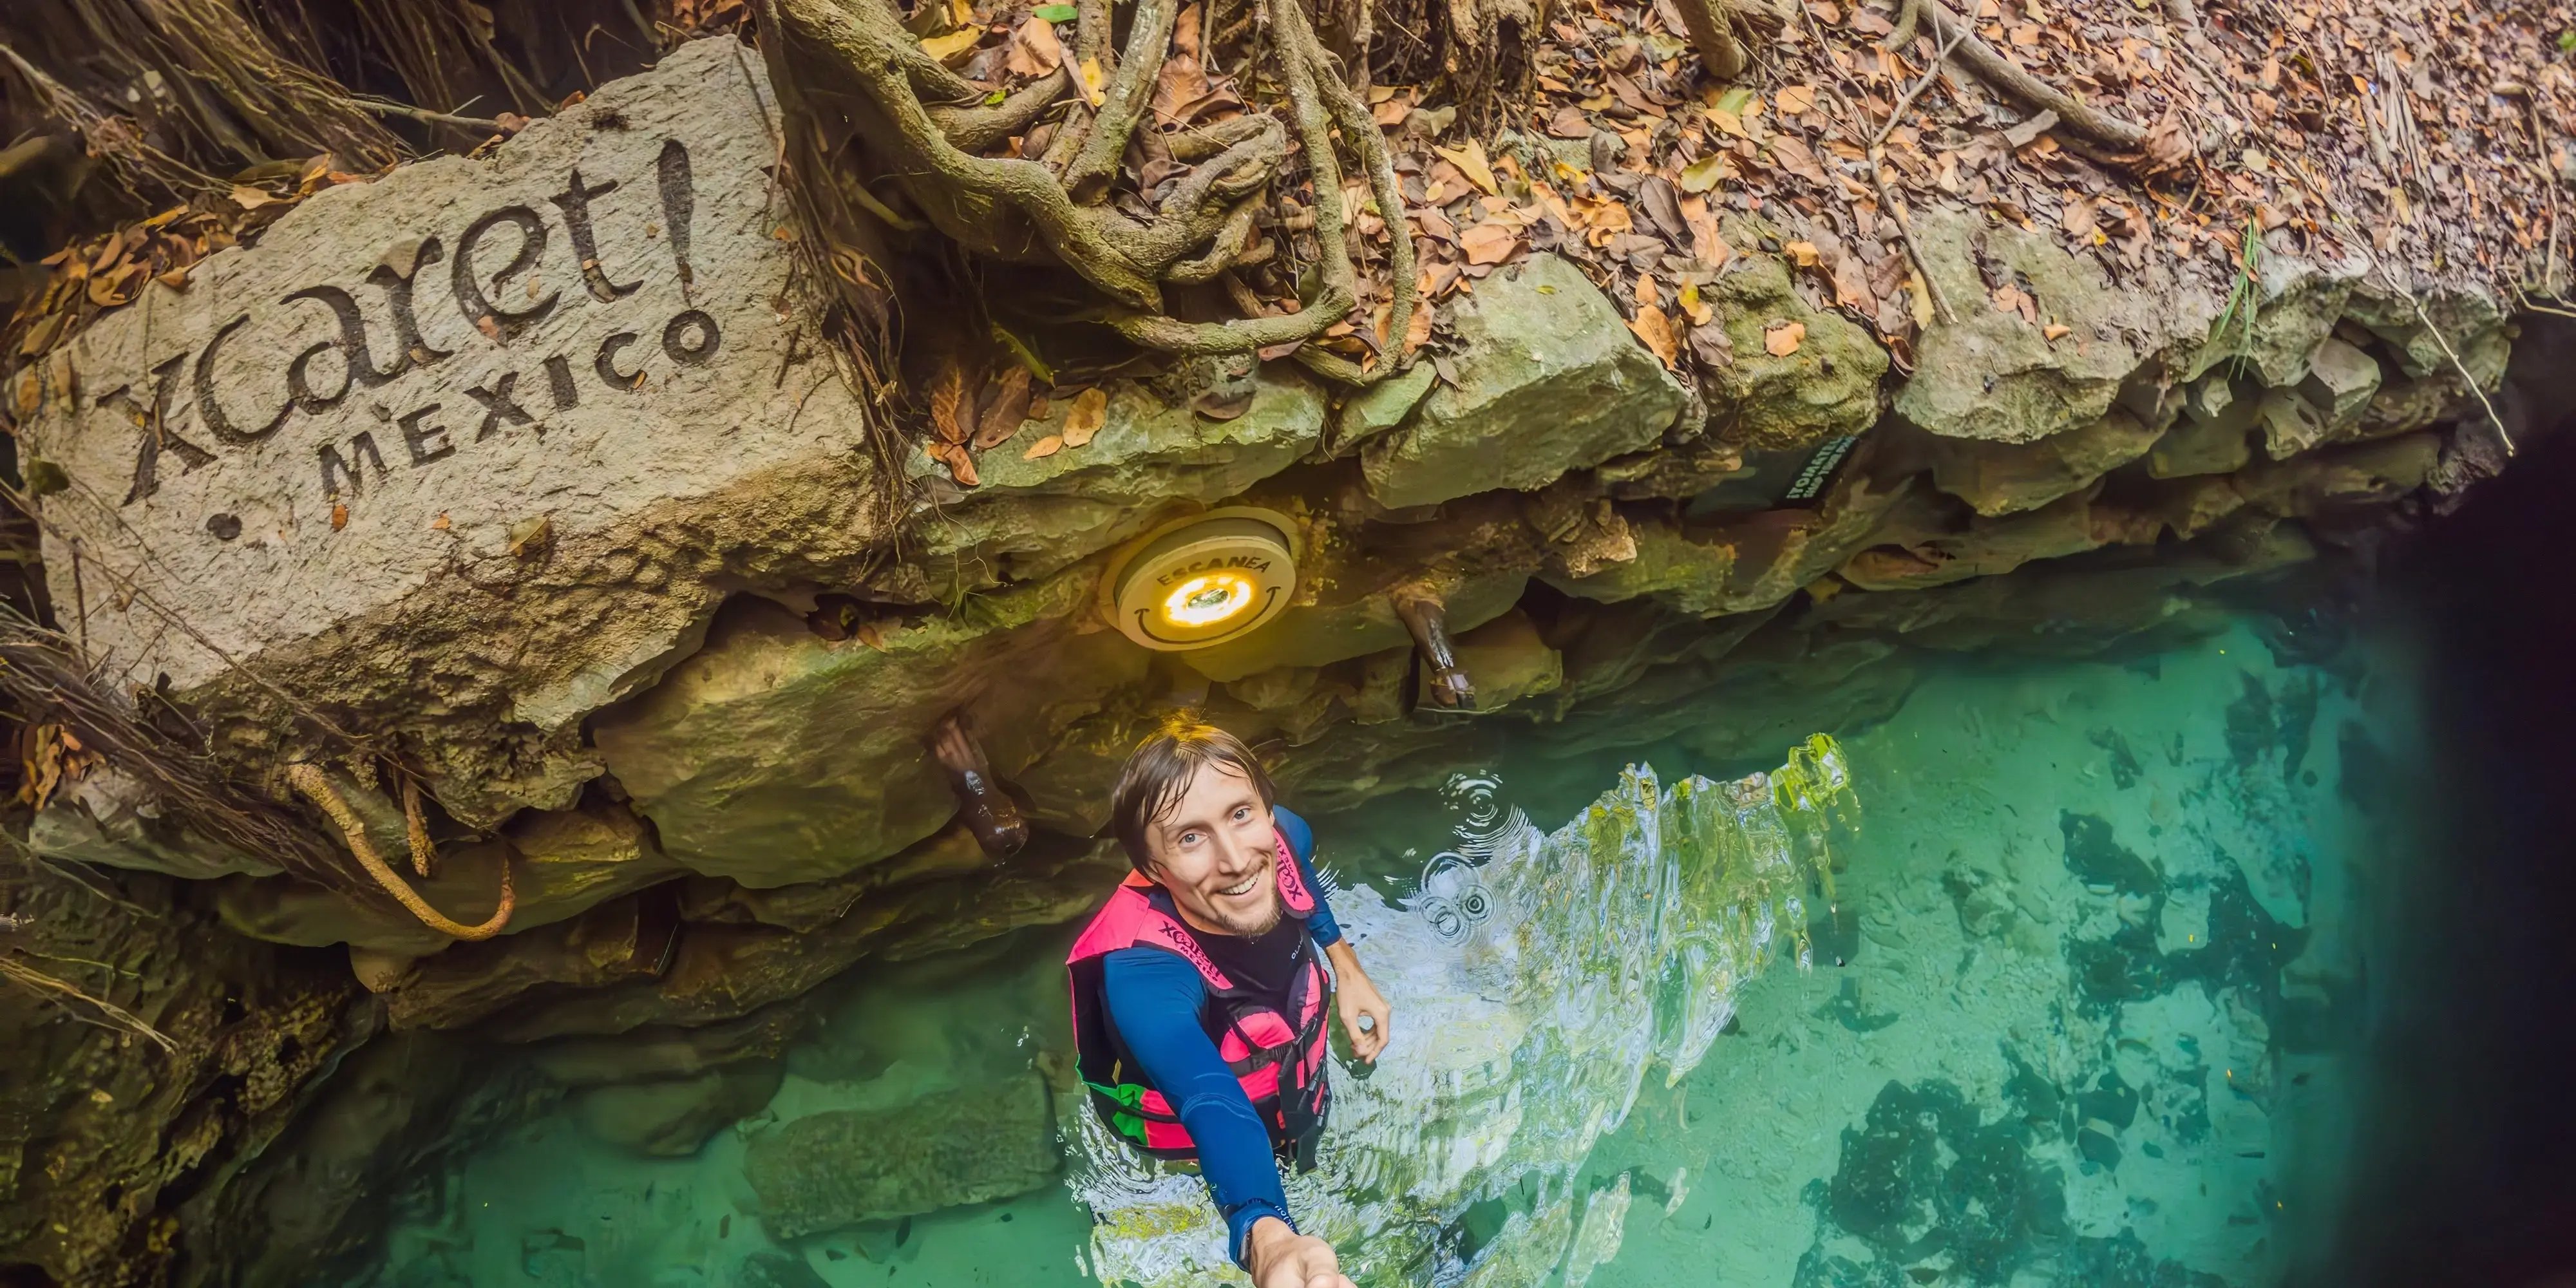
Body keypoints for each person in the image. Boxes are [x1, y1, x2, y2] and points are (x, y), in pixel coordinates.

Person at [1066, 717, 1393, 1288]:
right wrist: (1267, 1235)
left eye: (1241, 815)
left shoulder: (1284, 833)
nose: (1237, 859)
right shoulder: (1143, 973)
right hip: (1184, 1162)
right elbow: (1209, 1101)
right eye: (1191, 837)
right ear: (1154, 870)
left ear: (1266, 813)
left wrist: (1348, 968)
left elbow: (1297, 876)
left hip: (1295, 1098)